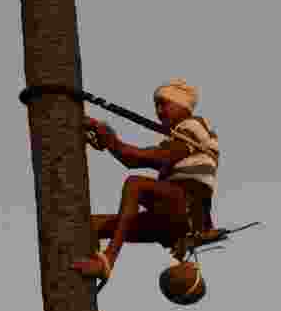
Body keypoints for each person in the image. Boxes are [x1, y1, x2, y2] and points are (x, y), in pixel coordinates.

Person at [72, 78, 221, 281]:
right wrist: (108, 140)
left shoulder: (195, 127)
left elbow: (154, 158)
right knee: (89, 225)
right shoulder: (179, 136)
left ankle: (106, 262)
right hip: (168, 218)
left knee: (136, 184)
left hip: (188, 207)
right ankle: (82, 276)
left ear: (183, 104)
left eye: (164, 104)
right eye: (156, 105)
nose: (158, 111)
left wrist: (110, 139)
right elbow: (131, 160)